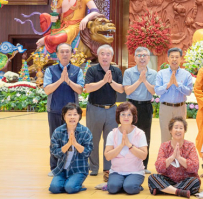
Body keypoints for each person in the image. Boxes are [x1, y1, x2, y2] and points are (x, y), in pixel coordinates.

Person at [84, 44, 124, 180]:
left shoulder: (116, 71)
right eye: (102, 53)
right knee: (93, 139)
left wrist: (110, 81)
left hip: (112, 109)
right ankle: (93, 167)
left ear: (111, 57)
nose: (105, 56)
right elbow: (88, 88)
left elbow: (121, 89)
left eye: (108, 54)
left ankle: (108, 168)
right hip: (95, 109)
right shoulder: (92, 70)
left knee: (110, 140)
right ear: (98, 55)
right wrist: (103, 81)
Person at [44, 43, 84, 177]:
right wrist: (61, 80)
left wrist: (68, 81)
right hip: (55, 110)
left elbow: (80, 90)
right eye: (62, 52)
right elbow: (47, 90)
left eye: (67, 51)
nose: (65, 54)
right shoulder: (50, 70)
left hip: (72, 114)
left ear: (71, 54)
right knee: (55, 139)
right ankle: (55, 167)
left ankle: (71, 166)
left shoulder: (77, 70)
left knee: (73, 138)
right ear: (57, 54)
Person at [123, 47, 157, 173]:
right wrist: (139, 80)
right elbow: (127, 91)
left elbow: (153, 91)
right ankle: (130, 164)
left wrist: (145, 80)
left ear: (148, 58)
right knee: (130, 134)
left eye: (144, 55)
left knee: (145, 136)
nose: (142, 57)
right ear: (135, 58)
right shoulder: (129, 72)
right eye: (139, 55)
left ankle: (144, 165)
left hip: (146, 106)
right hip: (131, 107)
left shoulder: (153, 73)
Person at [148, 117, 201, 197]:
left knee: (195, 181)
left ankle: (164, 190)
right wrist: (172, 157)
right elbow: (158, 167)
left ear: (184, 131)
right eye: (175, 128)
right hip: (168, 179)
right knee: (152, 177)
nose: (178, 130)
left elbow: (195, 167)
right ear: (170, 130)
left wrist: (179, 158)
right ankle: (179, 192)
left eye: (181, 128)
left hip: (186, 179)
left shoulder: (190, 146)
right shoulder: (164, 146)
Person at [49, 103, 93, 194]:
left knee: (70, 188)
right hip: (62, 168)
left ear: (79, 116)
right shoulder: (58, 131)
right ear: (64, 116)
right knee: (54, 188)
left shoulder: (85, 132)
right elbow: (54, 152)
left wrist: (75, 144)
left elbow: (87, 153)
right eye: (69, 114)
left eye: (75, 114)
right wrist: (68, 144)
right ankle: (66, 183)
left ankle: (74, 184)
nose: (72, 117)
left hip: (78, 169)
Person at [104, 102, 148, 194]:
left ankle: (129, 185)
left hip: (135, 171)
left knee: (130, 188)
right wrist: (121, 146)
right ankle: (120, 184)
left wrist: (129, 145)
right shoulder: (112, 134)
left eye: (129, 115)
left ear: (133, 117)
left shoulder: (140, 133)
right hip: (117, 171)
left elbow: (143, 155)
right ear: (118, 117)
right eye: (123, 114)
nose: (126, 117)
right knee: (112, 188)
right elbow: (107, 156)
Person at [155, 48, 194, 143]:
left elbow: (189, 91)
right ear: (168, 59)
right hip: (165, 108)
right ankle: (166, 157)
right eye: (172, 57)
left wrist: (177, 85)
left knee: (179, 134)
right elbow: (157, 90)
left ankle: (178, 157)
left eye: (177, 57)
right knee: (165, 135)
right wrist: (168, 85)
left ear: (181, 59)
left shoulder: (186, 75)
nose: (174, 59)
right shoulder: (161, 74)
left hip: (180, 108)